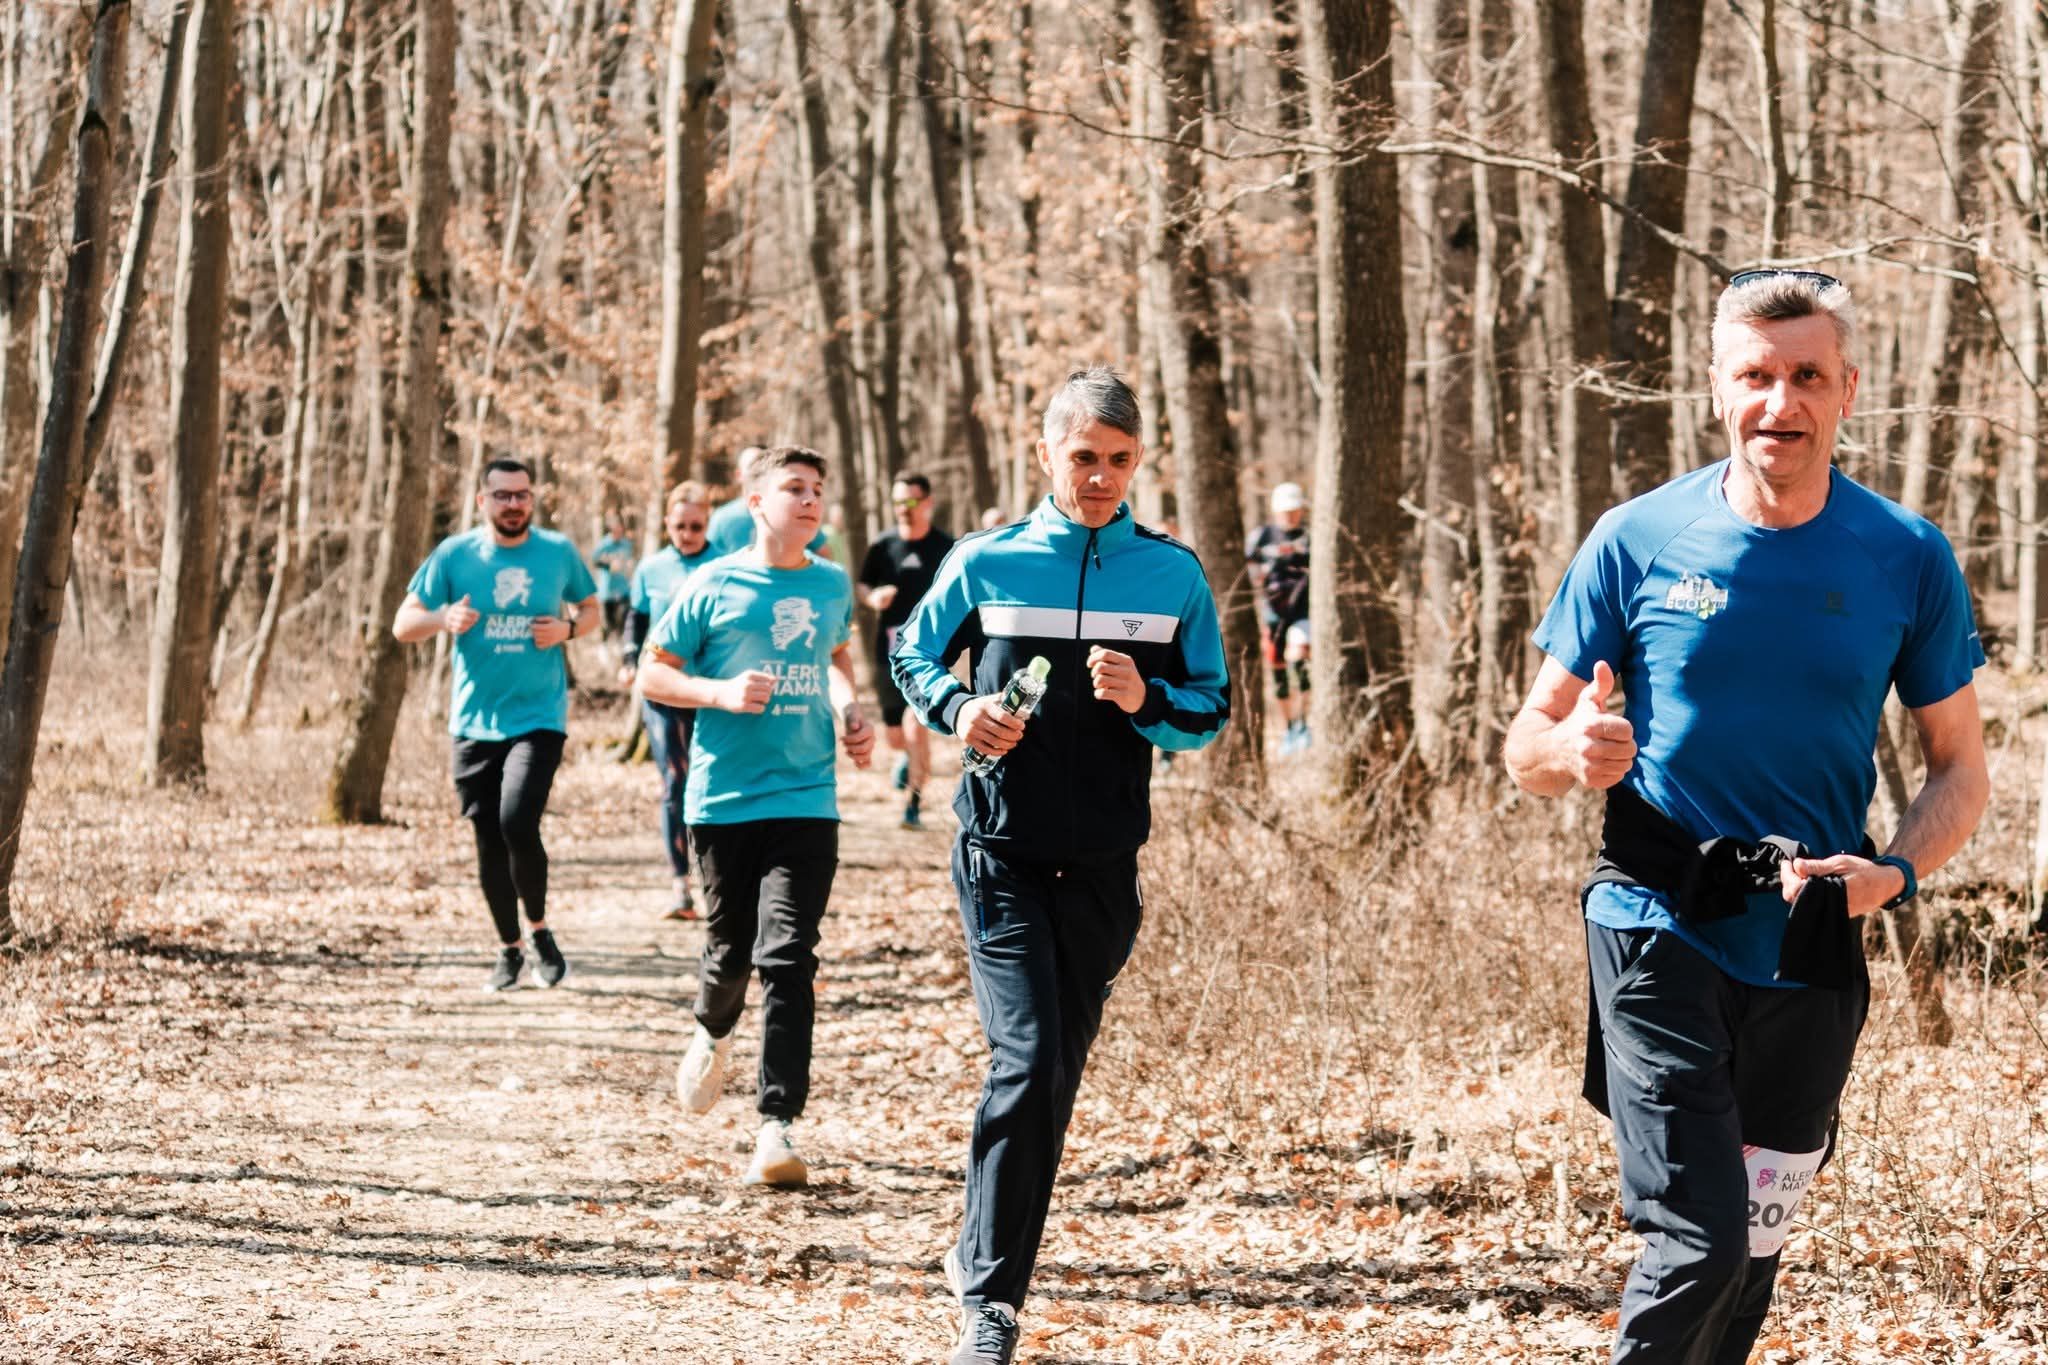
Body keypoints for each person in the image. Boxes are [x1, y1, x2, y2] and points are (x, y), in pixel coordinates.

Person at [1503, 269, 1987, 1363]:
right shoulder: (1636, 538)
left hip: (1810, 934)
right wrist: (1570, 752)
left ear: (1846, 389)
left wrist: (1893, 875)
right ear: (1716, 387)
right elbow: (1522, 745)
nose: (1779, 402)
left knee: (1753, 1251)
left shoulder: (1902, 556)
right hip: (1654, 914)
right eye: (1754, 377)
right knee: (1701, 1235)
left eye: (1804, 376)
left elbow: (1956, 769)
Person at [891, 368, 1230, 1365]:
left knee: (1050, 1077)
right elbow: (912, 653)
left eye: (1118, 462)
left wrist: (1143, 700)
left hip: (1100, 868)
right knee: (1027, 1058)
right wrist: (960, 712)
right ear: (1045, 454)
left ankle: (982, 1255)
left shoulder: (1168, 575)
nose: (1100, 479)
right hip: (996, 851)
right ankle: (990, 1303)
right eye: (1083, 458)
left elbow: (1207, 707)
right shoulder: (988, 561)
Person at [638, 446, 875, 1188]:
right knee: (730, 950)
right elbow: (653, 671)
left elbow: (836, 660)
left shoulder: (833, 582)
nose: (809, 500)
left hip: (807, 797)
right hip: (722, 799)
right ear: (756, 502)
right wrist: (718, 692)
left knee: (789, 956)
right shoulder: (713, 583)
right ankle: (712, 1030)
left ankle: (777, 1124)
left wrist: (850, 710)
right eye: (794, 488)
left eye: (817, 490)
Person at [393, 457, 601, 992]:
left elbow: (592, 609)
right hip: (473, 722)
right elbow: (403, 624)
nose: (514, 504)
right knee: (488, 838)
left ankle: (539, 929)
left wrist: (569, 629)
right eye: (503, 495)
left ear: (533, 499)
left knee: (516, 820)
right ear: (482, 501)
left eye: (522, 495)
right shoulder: (455, 555)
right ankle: (509, 947)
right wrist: (444, 619)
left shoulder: (556, 552)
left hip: (539, 716)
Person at [620, 481, 718, 920]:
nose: (688, 533)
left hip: (714, 692)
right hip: (662, 689)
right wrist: (628, 660)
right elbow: (635, 619)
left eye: (696, 525)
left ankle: (715, 877)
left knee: (711, 784)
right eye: (680, 525)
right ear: (667, 524)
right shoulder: (651, 567)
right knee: (674, 784)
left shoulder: (725, 566)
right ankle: (680, 886)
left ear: (708, 523)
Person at [857, 472, 956, 830]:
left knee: (915, 726)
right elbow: (863, 584)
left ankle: (913, 803)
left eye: (911, 501)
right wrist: (872, 598)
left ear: (927, 503)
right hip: (887, 651)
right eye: (898, 502)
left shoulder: (946, 548)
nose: (904, 509)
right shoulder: (883, 546)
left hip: (930, 654)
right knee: (896, 735)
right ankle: (905, 759)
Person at [1246, 481, 1312, 755]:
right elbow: (1250, 571)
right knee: (1279, 671)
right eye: (1286, 511)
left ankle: (1303, 723)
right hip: (1272, 613)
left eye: (1295, 510)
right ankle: (1290, 729)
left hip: (1302, 612)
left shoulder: (1309, 537)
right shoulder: (1261, 537)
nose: (1290, 516)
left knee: (1300, 659)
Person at [707, 445, 833, 559]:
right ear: (739, 475)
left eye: (817, 492)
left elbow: (823, 552)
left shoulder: (800, 515)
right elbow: (706, 557)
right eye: (752, 466)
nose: (811, 500)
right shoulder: (722, 518)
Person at [591, 513, 636, 649]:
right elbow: (595, 561)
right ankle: (605, 647)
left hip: (623, 588)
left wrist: (630, 568)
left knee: (624, 617)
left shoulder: (626, 544)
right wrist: (608, 566)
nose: (618, 533)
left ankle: (621, 645)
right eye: (615, 530)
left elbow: (629, 560)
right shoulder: (604, 545)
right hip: (608, 590)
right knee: (609, 621)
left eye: (620, 530)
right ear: (611, 529)